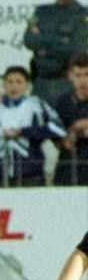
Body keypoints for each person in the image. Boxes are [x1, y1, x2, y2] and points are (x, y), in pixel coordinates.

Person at [0, 66, 63, 187]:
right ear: (4, 84)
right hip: (0, 176)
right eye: (10, 82)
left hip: (31, 175)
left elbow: (59, 129)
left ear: (27, 85)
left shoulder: (36, 105)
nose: (14, 86)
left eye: (19, 82)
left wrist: (23, 132)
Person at [24, 0, 88, 108]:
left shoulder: (83, 15)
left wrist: (44, 43)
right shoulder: (42, 12)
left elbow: (76, 49)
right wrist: (60, 40)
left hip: (67, 83)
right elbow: (29, 41)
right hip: (41, 82)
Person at [53, 51, 88, 185]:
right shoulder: (64, 102)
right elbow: (57, 138)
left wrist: (78, 126)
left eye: (87, 75)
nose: (83, 80)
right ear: (70, 76)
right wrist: (70, 135)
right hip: (69, 169)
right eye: (78, 75)